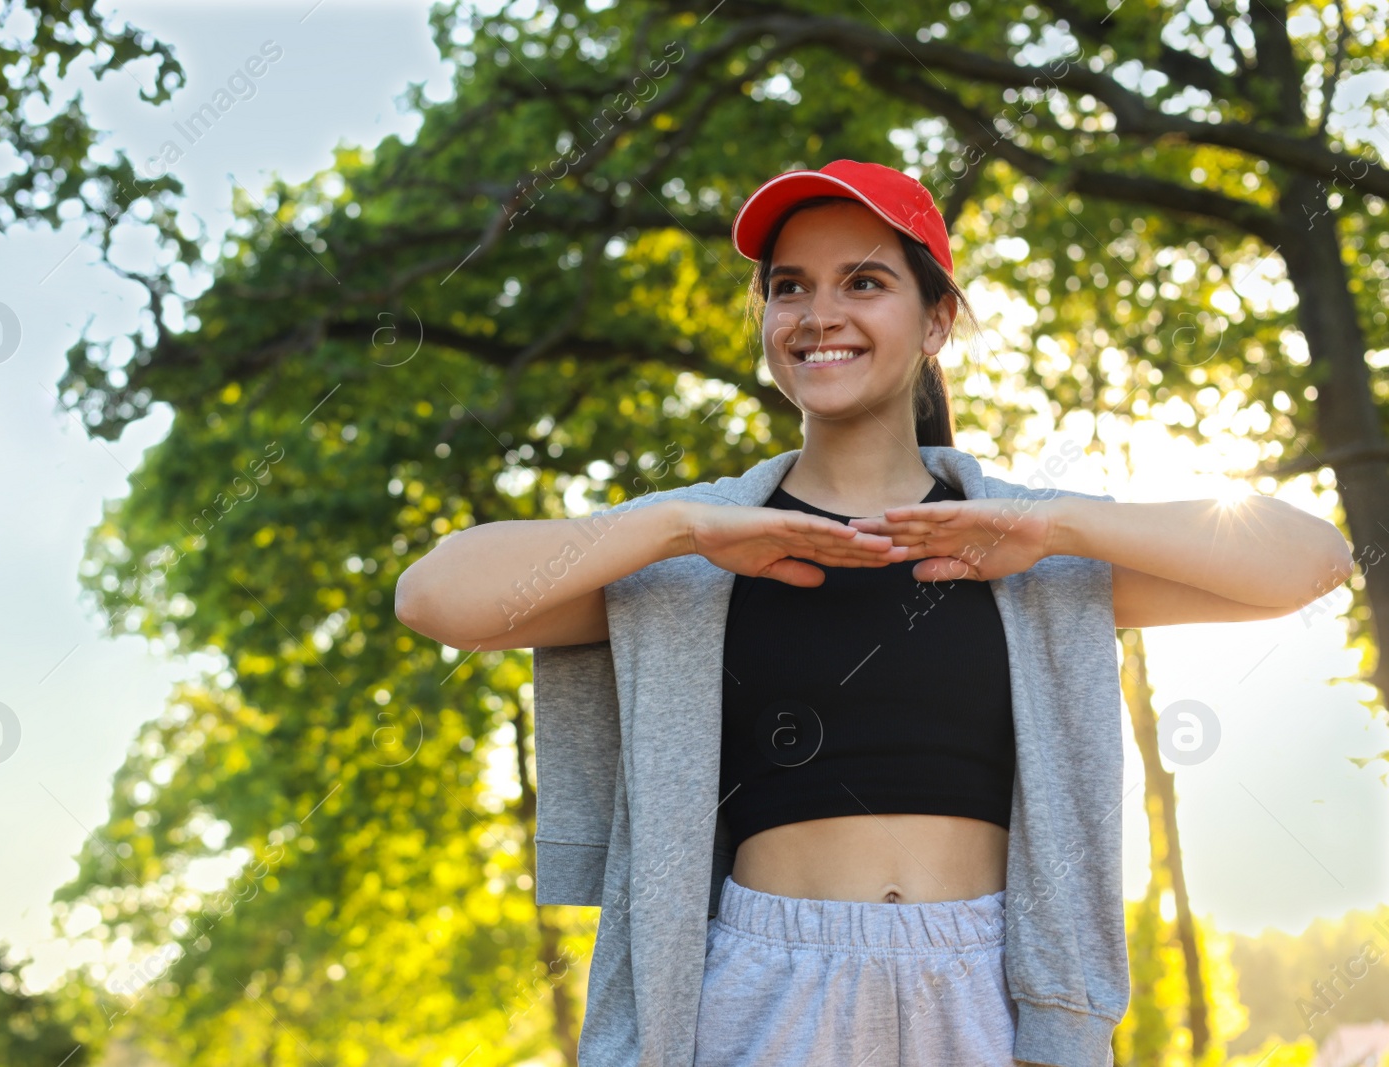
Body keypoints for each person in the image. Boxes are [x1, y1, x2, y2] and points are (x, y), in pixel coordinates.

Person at [394, 159, 1352, 1066]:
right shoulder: (695, 556)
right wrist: (682, 527)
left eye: (863, 283)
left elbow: (1311, 560)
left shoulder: (1029, 557)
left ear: (936, 321)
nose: (819, 315)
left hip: (988, 982)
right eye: (789, 287)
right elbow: (436, 594)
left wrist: (1055, 522)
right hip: (765, 983)